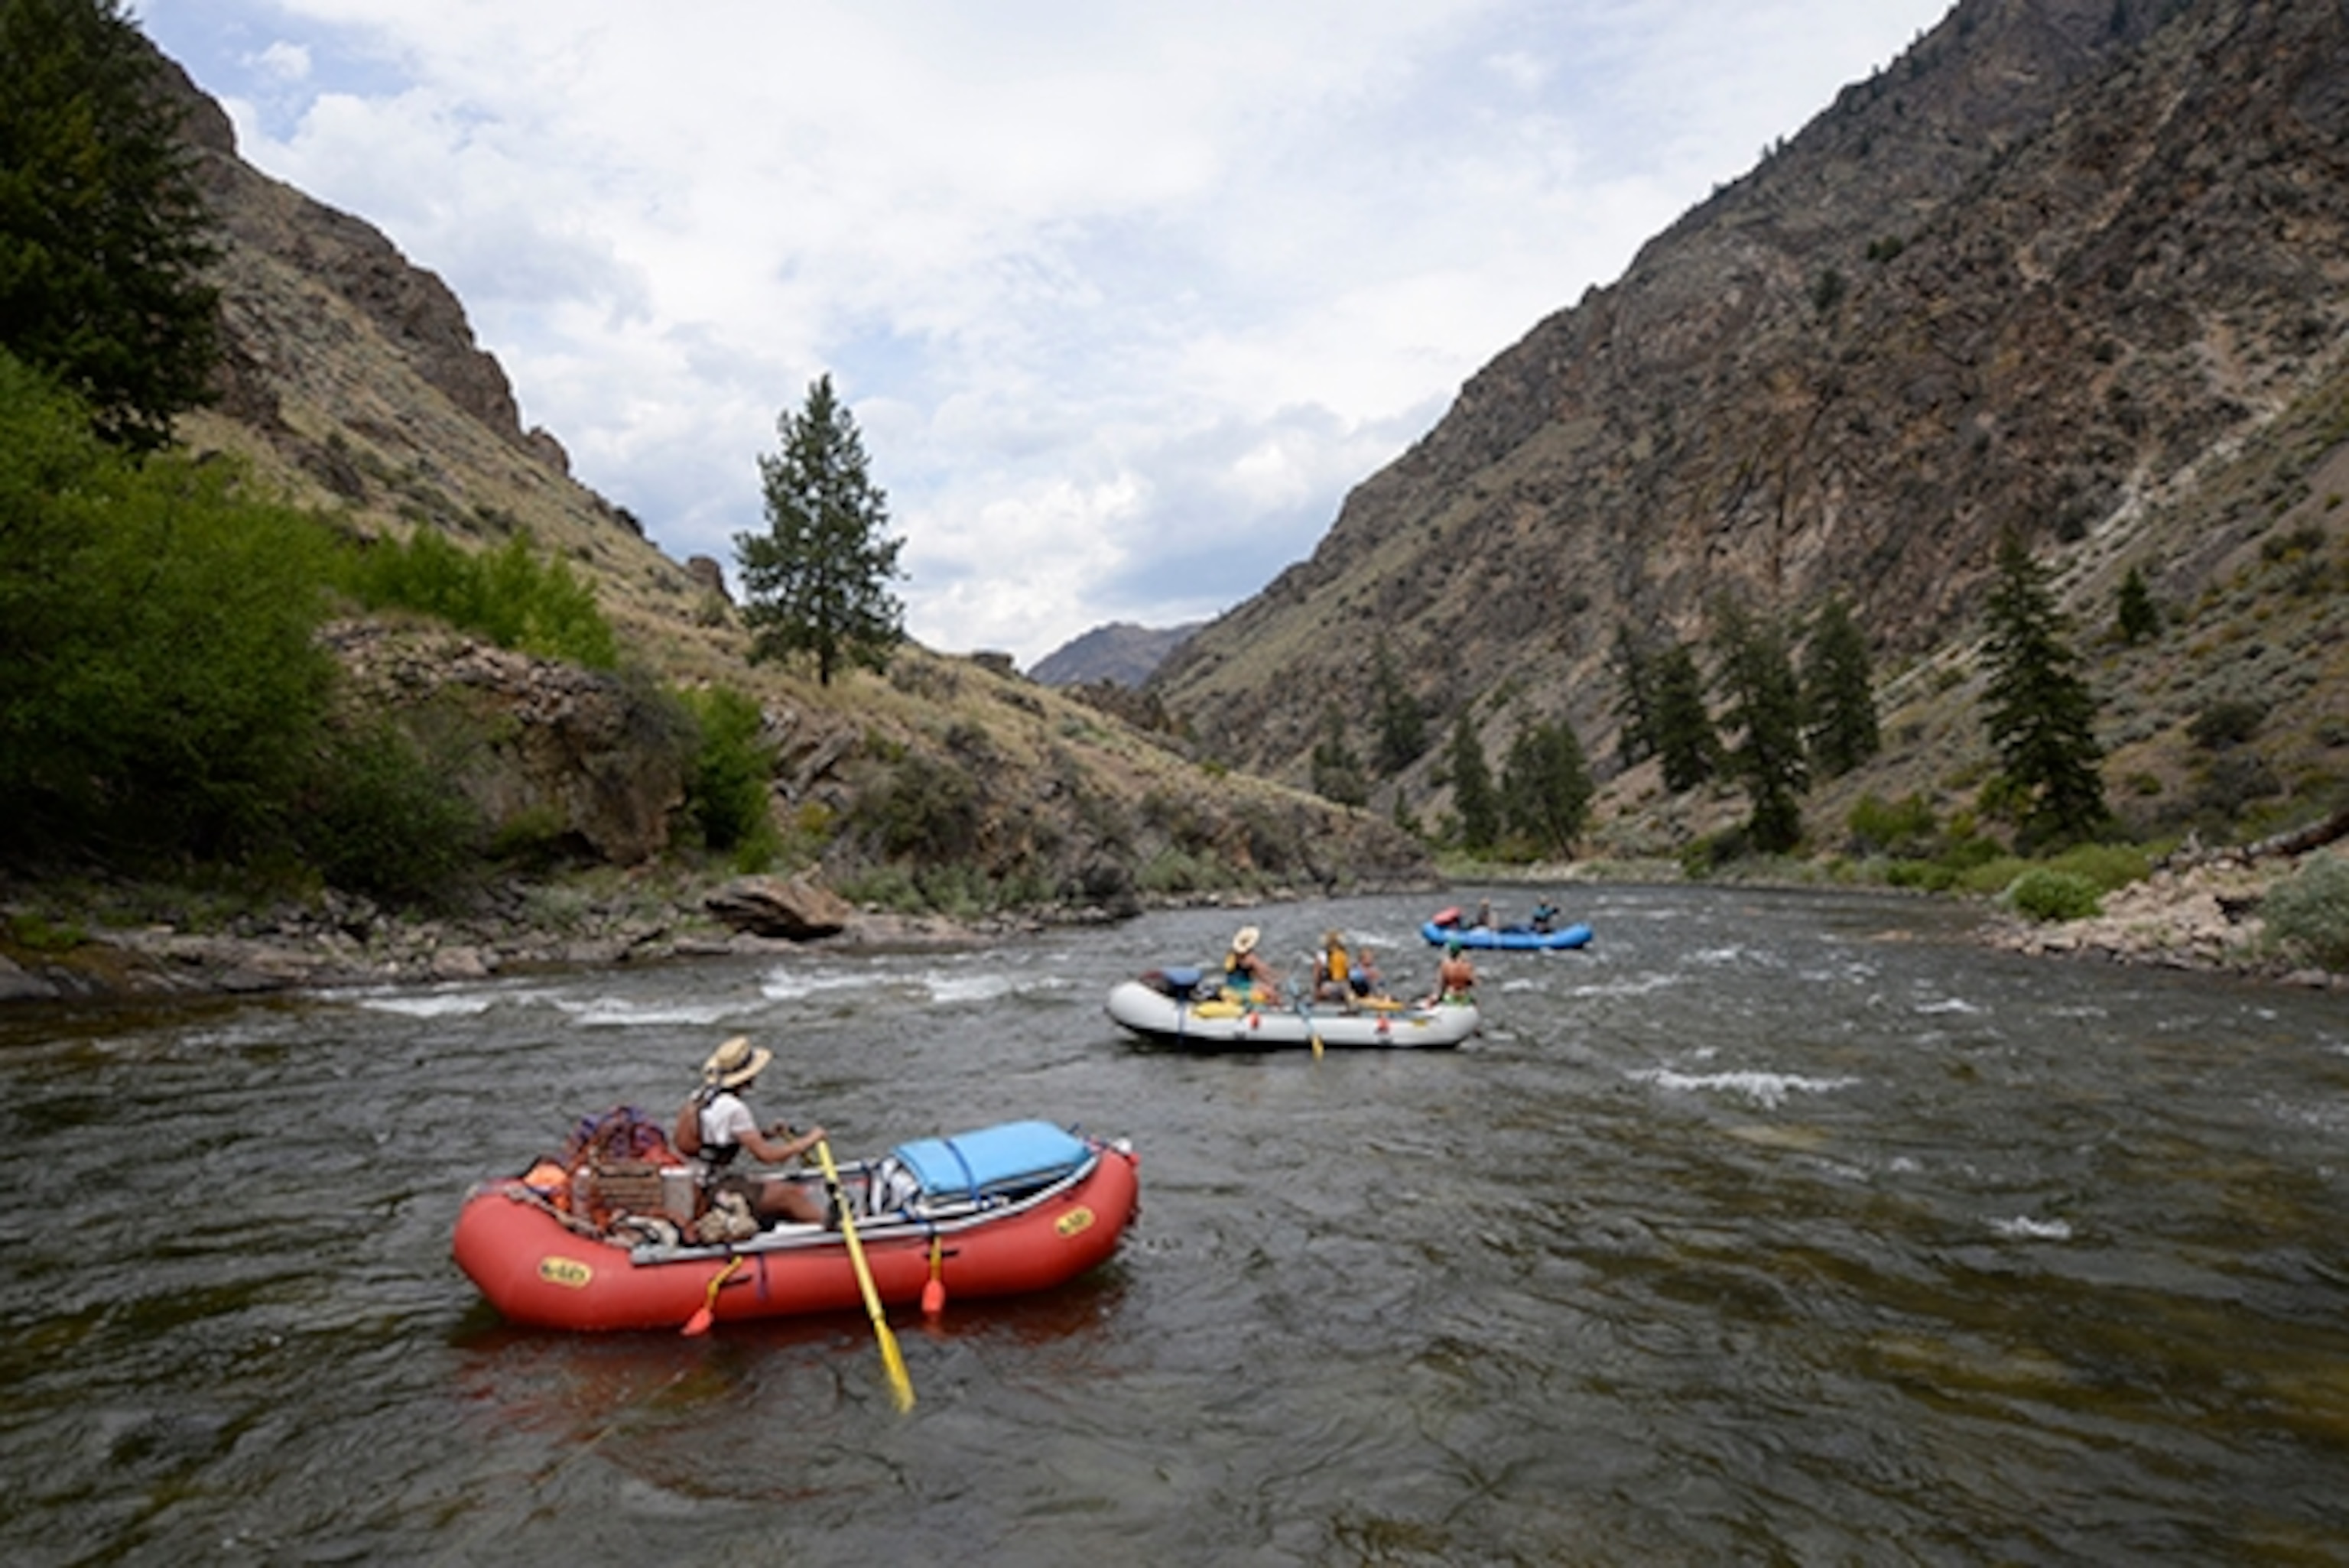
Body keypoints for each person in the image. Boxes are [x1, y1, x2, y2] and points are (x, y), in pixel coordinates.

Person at [685, 1035, 829, 1226]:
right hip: (713, 1188)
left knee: (772, 1187)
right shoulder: (734, 1109)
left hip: (695, 1183)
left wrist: (766, 1134)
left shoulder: (699, 1098)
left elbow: (713, 1139)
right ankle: (831, 1232)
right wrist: (808, 1141)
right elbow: (767, 1156)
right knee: (789, 1194)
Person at [1223, 925, 1278, 1003]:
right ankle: (1279, 1010)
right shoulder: (1249, 958)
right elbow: (1262, 972)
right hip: (1240, 990)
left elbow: (1261, 970)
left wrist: (1273, 974)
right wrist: (1272, 982)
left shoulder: (1232, 954)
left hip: (1229, 988)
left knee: (1263, 987)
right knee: (1270, 991)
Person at [1428, 939, 1477, 1006]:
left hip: (1450, 997)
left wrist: (1434, 998)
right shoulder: (1467, 965)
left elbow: (1441, 983)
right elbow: (1473, 982)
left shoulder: (1445, 965)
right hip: (1464, 998)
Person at [1313, 930, 1355, 1005]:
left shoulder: (1321, 955)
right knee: (1349, 996)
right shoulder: (1344, 953)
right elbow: (1350, 969)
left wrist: (1316, 988)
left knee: (1319, 996)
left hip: (1328, 985)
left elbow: (1317, 973)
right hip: (1344, 985)